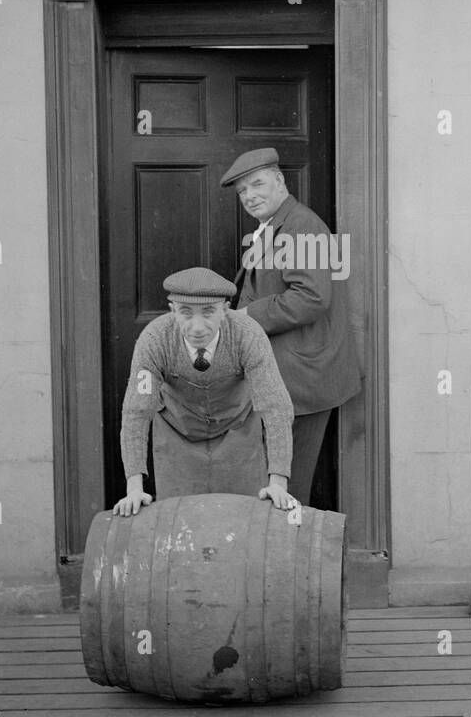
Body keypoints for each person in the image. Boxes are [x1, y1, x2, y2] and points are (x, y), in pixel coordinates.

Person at [219, 147, 362, 505]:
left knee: (288, 487)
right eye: (242, 191)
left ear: (280, 181)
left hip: (303, 381)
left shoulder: (302, 224)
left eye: (257, 184)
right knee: (279, 481)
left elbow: (311, 298)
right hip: (290, 378)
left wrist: (247, 317)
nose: (250, 196)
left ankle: (287, 556)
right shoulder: (274, 227)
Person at [115, 267, 295, 517]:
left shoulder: (248, 334)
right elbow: (137, 411)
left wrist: (278, 482)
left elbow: (276, 406)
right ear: (172, 311)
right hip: (177, 437)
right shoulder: (154, 339)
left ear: (225, 310)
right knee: (180, 525)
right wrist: (134, 486)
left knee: (242, 522)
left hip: (238, 435)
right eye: (186, 313)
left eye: (208, 312)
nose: (197, 327)